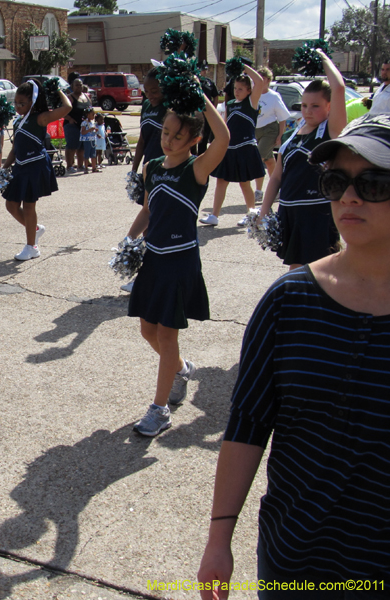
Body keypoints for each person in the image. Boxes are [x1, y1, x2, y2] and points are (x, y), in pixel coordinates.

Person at [197, 113, 390, 599]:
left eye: (373, 183)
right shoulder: (288, 300)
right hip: (295, 559)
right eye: (336, 181)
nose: (349, 196)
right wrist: (219, 539)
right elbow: (248, 424)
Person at [126, 92, 229, 437]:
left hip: (180, 262)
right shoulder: (152, 167)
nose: (168, 140)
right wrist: (129, 241)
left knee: (167, 334)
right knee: (147, 330)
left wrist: (200, 98)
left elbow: (225, 138)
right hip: (153, 260)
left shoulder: (196, 168)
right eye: (165, 133)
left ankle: (160, 410)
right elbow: (148, 210)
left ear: (195, 140)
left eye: (178, 136)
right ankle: (182, 368)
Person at [259, 49, 346, 271]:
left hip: (315, 213)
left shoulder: (331, 131)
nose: (308, 111)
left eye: (316, 106)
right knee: (297, 271)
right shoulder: (291, 135)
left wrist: (322, 58)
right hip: (290, 213)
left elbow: (339, 87)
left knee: (315, 273)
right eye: (305, 105)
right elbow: (277, 176)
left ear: (329, 106)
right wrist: (264, 210)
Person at [2, 80, 72, 261]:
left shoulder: (40, 118)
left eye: (22, 103)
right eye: (15, 102)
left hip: (35, 166)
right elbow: (15, 148)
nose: (17, 106)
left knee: (29, 205)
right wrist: (4, 167)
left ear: (32, 101)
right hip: (20, 166)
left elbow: (67, 107)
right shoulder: (18, 121)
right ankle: (35, 230)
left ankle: (31, 246)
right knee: (10, 205)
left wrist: (56, 90)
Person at [200, 64, 265, 227]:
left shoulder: (251, 103)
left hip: (245, 147)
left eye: (241, 89)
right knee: (221, 181)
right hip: (230, 148)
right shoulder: (230, 104)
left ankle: (251, 213)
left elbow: (260, 82)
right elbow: (226, 126)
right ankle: (214, 215)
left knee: (244, 183)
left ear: (249, 91)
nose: (237, 91)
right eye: (235, 88)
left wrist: (244, 67)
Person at [121, 68, 166, 294]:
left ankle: (148, 277)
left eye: (155, 90)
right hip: (150, 170)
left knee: (156, 227)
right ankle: (146, 276)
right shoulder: (147, 107)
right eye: (146, 91)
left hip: (169, 171)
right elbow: (143, 140)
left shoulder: (171, 107)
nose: (151, 95)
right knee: (150, 226)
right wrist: (134, 168)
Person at [253, 67, 291, 202]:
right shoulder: (253, 94)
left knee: (259, 158)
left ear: (268, 80)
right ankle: (279, 188)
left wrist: (281, 135)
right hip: (255, 130)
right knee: (269, 161)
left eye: (262, 78)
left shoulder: (274, 96)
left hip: (270, 130)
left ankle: (258, 191)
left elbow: (282, 118)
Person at [63, 78, 93, 172]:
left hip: (84, 125)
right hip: (72, 125)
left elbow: (90, 109)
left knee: (82, 146)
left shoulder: (86, 96)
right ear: (72, 86)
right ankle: (69, 166)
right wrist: (70, 119)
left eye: (80, 85)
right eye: (77, 85)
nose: (79, 87)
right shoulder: (70, 97)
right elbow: (62, 111)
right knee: (72, 145)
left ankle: (80, 165)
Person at [196, 61, 220, 156]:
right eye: (202, 69)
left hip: (207, 113)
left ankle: (202, 155)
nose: (204, 71)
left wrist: (213, 108)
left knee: (205, 135)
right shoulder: (193, 81)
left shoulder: (209, 82)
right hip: (196, 112)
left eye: (205, 69)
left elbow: (216, 96)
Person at [80, 108, 99, 174]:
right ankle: (86, 167)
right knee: (86, 154)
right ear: (88, 115)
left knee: (93, 154)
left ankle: (94, 167)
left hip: (92, 140)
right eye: (92, 114)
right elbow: (82, 132)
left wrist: (96, 132)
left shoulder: (92, 123)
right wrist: (89, 130)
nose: (94, 116)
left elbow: (92, 131)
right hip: (87, 140)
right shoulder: (84, 123)